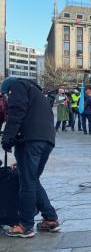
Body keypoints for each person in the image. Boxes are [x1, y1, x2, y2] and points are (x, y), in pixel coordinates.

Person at [1, 77, 60, 238]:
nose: (6, 99)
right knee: (32, 179)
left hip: (31, 140)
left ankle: (25, 226)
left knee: (26, 182)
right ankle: (50, 218)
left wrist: (7, 139)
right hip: (46, 140)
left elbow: (16, 112)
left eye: (5, 96)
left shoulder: (18, 86)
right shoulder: (36, 92)